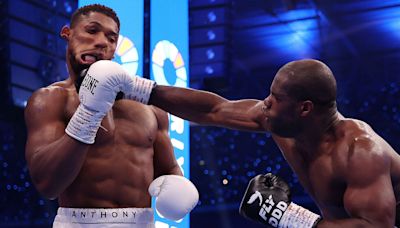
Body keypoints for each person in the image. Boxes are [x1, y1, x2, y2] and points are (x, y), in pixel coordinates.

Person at [146, 59, 400, 227]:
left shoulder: (360, 152)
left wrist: (289, 216)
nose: (265, 102)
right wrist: (143, 90)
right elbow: (213, 110)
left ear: (305, 108)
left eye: (276, 98)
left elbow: (376, 227)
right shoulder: (278, 121)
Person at [24, 4, 198, 228]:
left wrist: (178, 184)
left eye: (111, 38)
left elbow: (169, 168)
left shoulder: (149, 106)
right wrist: (88, 114)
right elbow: (47, 184)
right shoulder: (51, 100)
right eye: (92, 30)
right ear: (67, 33)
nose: (101, 42)